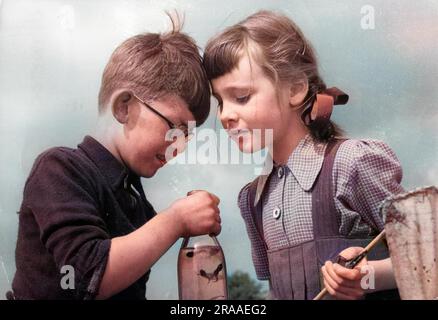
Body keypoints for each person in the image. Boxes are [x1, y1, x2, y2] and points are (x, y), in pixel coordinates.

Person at [8, 15, 221, 300]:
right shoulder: (59, 169)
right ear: (124, 107)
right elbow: (87, 276)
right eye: (174, 128)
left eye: (188, 136)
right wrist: (177, 220)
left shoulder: (138, 203)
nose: (179, 146)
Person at [203, 10, 403, 300]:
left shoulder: (352, 164)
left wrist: (368, 276)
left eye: (242, 97)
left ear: (295, 89)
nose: (225, 115)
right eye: (220, 101)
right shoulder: (252, 199)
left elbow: (427, 252)